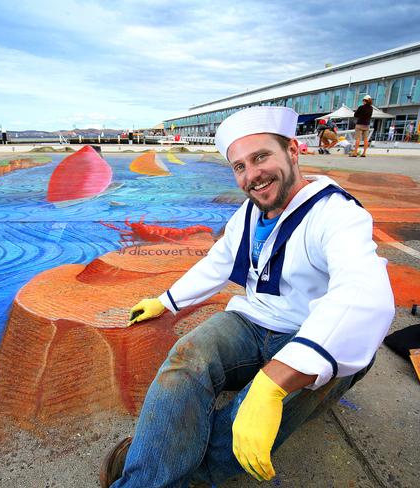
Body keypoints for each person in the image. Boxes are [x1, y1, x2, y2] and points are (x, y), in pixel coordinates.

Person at [99, 105, 395, 488]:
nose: (252, 175)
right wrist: (166, 301)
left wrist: (274, 382)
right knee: (187, 358)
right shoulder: (250, 212)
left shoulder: (337, 215)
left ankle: (183, 472)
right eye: (239, 166)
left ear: (293, 150)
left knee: (274, 402)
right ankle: (151, 476)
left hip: (309, 336)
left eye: (260, 157)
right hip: (251, 321)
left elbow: (363, 292)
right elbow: (219, 260)